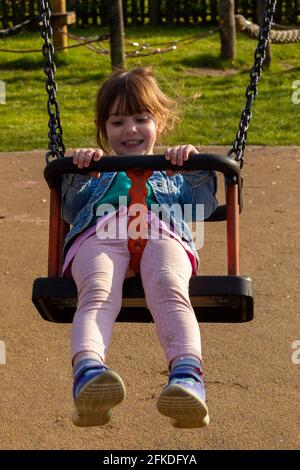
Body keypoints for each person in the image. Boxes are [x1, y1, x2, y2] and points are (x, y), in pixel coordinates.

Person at [61, 67, 218, 428]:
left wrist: (193, 167)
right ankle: (88, 374)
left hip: (163, 233)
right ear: (104, 129)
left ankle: (187, 377)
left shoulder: (170, 171)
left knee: (169, 287)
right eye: (117, 122)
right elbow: (70, 209)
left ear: (159, 122)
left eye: (140, 118)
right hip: (100, 233)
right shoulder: (99, 171)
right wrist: (78, 172)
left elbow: (203, 205)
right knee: (96, 293)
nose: (130, 129)